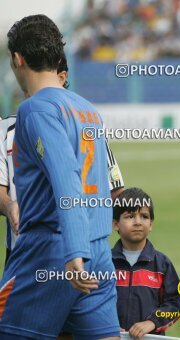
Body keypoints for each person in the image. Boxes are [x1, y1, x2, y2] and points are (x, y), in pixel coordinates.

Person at [0, 15, 120, 339]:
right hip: (98, 251)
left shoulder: (34, 109)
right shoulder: (87, 109)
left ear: (17, 58)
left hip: (55, 250)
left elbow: (67, 179)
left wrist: (73, 251)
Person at [0, 54, 125, 265]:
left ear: (62, 77)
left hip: (83, 253)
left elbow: (116, 190)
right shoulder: (6, 130)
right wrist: (9, 205)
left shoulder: (90, 125)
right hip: (26, 254)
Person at [112, 187, 180, 339]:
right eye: (130, 216)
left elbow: (175, 302)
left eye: (144, 216)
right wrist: (106, 324)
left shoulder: (162, 265)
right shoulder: (106, 263)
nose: (138, 222)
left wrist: (152, 322)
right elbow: (92, 301)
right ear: (116, 224)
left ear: (151, 224)